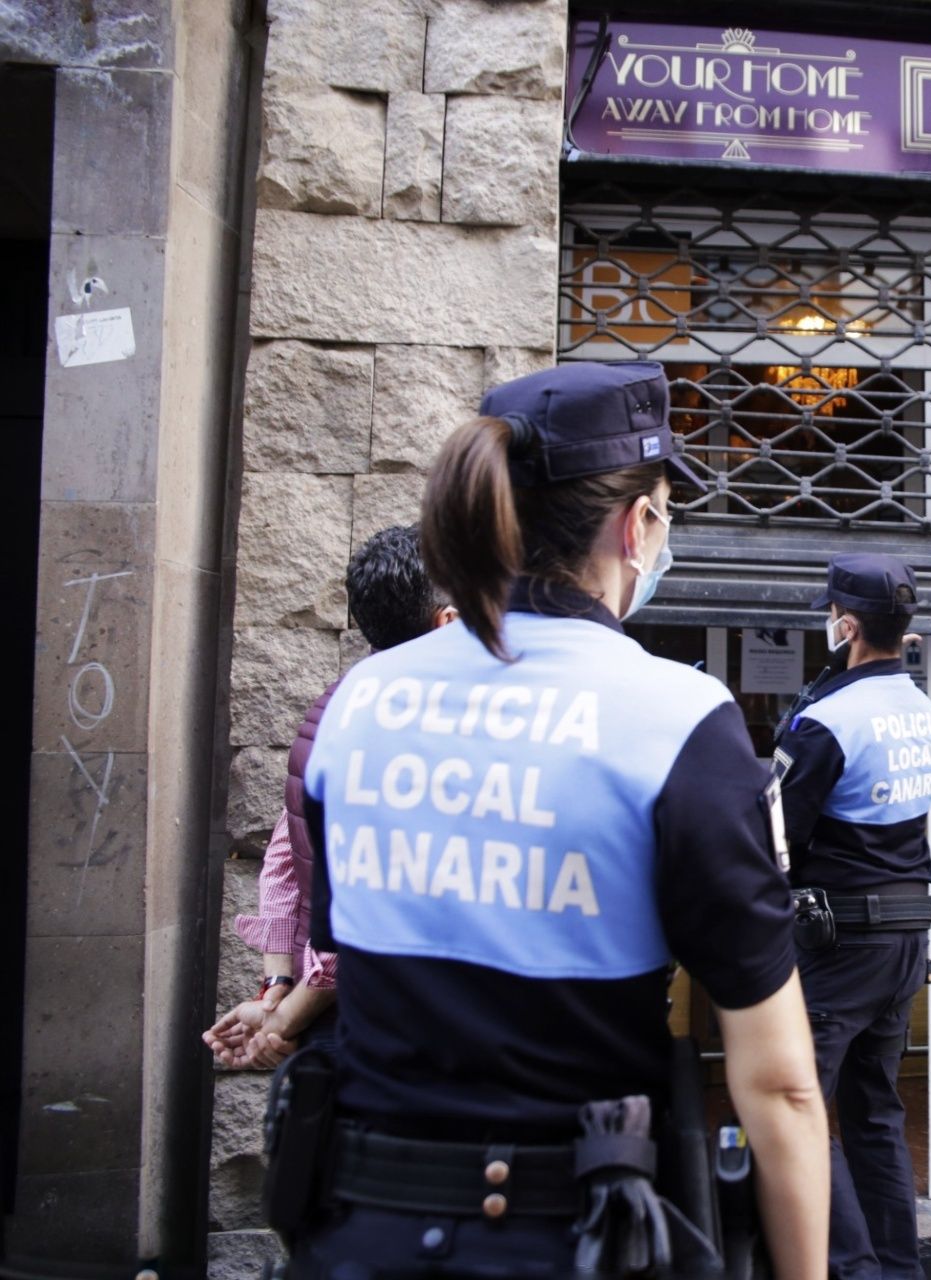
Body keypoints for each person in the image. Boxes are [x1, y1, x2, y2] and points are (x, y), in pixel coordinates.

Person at [293, 362, 828, 1278]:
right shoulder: (678, 720)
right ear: (637, 525)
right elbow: (778, 1085)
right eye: (665, 510)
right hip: (575, 1238)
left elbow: (348, 948)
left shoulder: (358, 701)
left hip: (359, 1235)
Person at [204, 525, 453, 1071]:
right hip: (387, 1030)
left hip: (336, 1020)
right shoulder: (428, 732)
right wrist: (289, 1013)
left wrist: (276, 986)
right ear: (448, 622)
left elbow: (284, 861)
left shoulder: (334, 707)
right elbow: (378, 907)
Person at [774, 553, 931, 1280]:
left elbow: (776, 838)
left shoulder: (828, 719)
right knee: (875, 1114)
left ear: (845, 624)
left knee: (798, 1110)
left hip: (840, 947)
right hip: (905, 941)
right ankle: (895, 1269)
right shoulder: (921, 708)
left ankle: (854, 1269)